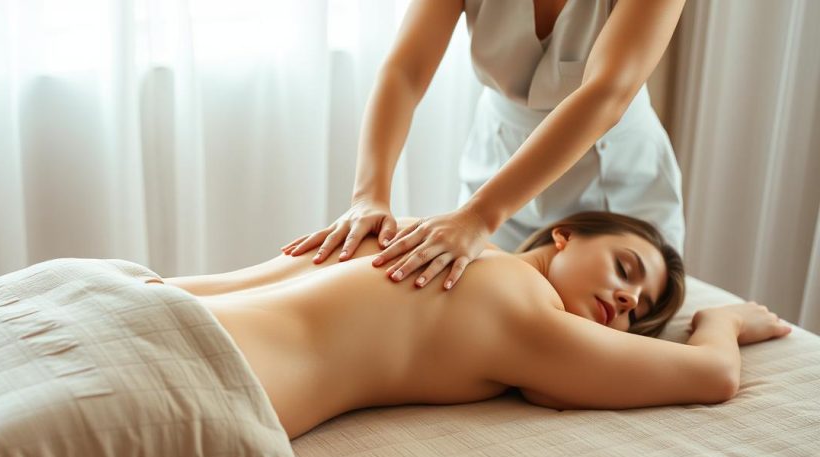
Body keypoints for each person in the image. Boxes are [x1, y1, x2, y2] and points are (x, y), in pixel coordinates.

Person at [165, 212, 792, 440]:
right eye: (626, 269)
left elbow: (551, 385)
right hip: (204, 378)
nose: (627, 300)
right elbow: (711, 374)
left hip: (138, 295)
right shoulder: (520, 304)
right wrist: (723, 319)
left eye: (639, 310)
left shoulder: (409, 234)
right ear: (560, 236)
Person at [283, 0, 688, 293]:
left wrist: (478, 216)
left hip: (618, 196)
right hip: (499, 167)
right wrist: (369, 196)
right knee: (472, 309)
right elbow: (404, 72)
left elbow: (607, 94)